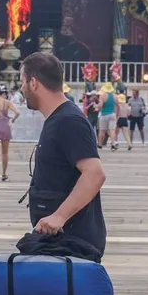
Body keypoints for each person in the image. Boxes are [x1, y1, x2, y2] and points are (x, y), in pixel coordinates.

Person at [19, 52, 107, 258]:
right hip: (57, 241)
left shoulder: (69, 121)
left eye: (22, 82)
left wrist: (59, 216)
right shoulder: (59, 119)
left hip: (72, 244)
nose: (21, 89)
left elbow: (95, 174)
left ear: (33, 83)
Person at [97, 85, 118, 151]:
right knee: (112, 130)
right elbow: (118, 105)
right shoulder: (115, 96)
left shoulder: (102, 95)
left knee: (102, 130)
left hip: (104, 114)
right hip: (112, 114)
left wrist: (97, 107)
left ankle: (100, 145)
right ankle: (113, 144)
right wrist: (117, 114)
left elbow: (100, 105)